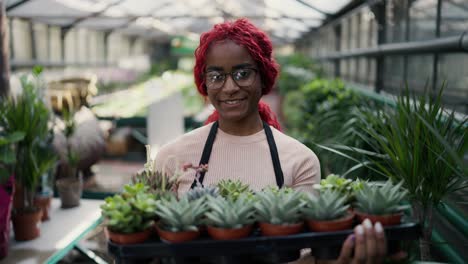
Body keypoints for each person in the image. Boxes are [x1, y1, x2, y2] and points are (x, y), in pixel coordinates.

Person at [154, 18, 387, 264]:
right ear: (205, 82)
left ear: (263, 77)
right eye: (216, 76)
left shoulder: (300, 160)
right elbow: (152, 244)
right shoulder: (173, 156)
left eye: (243, 74)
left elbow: (308, 255)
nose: (230, 87)